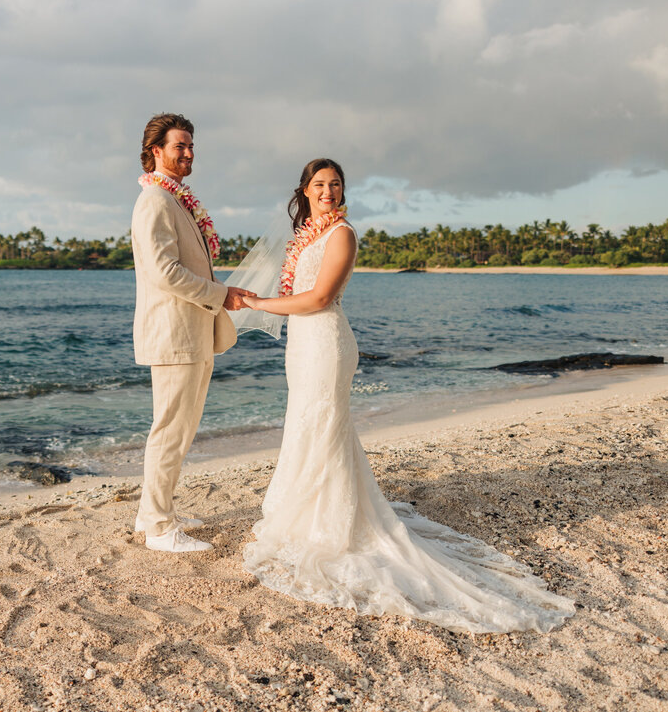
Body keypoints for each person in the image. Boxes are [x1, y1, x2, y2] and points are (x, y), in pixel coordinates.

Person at [235, 158, 574, 633]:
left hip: (326, 343)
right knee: (308, 422)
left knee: (324, 423)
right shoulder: (307, 236)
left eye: (335, 184)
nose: (328, 192)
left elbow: (319, 299)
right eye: (319, 184)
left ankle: (331, 523)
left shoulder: (342, 235)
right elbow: (299, 293)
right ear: (304, 191)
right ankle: (304, 513)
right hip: (301, 345)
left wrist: (255, 302)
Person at [130, 113, 255, 553]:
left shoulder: (175, 200)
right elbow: (165, 273)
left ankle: (153, 513)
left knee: (179, 430)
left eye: (190, 146)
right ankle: (160, 528)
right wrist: (221, 295)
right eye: (179, 146)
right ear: (156, 152)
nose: (188, 154)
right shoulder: (155, 203)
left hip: (193, 330)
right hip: (173, 334)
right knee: (170, 430)